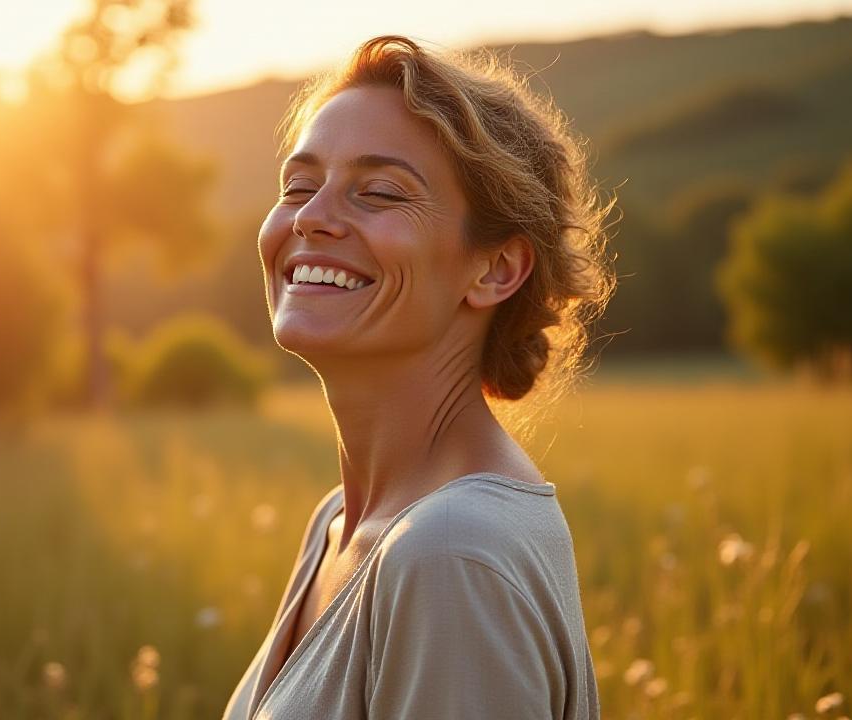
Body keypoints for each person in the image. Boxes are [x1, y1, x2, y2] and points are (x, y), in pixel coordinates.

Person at [222, 34, 614, 720]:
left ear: (495, 269)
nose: (312, 218)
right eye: (299, 186)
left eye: (378, 192)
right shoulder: (341, 521)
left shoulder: (452, 555)